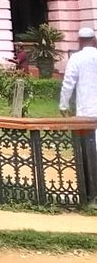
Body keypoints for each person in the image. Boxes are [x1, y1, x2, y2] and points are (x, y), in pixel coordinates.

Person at [60, 26, 97, 200]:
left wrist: (63, 105)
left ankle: (90, 192)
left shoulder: (76, 58)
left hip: (86, 110)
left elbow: (68, 83)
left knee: (87, 149)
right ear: (94, 40)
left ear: (79, 41)